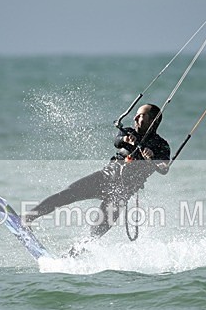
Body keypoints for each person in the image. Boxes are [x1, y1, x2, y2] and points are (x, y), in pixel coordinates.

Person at [23, 103, 170, 240]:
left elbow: (164, 169)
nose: (135, 117)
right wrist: (126, 138)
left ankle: (72, 257)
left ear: (153, 121)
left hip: (122, 191)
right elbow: (117, 141)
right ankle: (27, 218)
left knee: (98, 231)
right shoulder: (129, 132)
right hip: (106, 177)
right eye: (136, 114)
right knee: (68, 194)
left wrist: (152, 159)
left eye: (141, 115)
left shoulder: (161, 146)